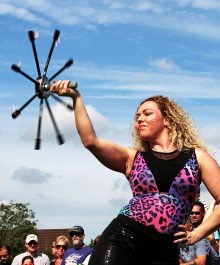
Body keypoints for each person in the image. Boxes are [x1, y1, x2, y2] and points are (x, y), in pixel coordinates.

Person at [50, 80, 220, 265]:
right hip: (123, 237)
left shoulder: (197, 157)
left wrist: (198, 233)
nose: (140, 119)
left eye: (147, 113)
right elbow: (90, 141)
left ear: (167, 119)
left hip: (165, 248)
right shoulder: (133, 158)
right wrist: (77, 98)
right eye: (137, 116)